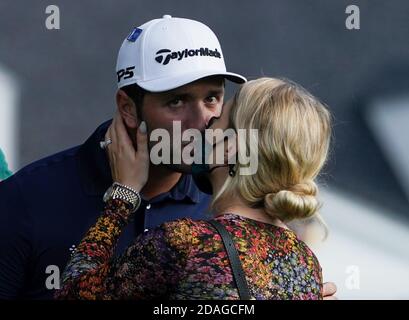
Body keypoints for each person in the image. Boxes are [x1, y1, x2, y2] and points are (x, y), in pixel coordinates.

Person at [0, 15, 336, 299]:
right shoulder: (25, 199)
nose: (202, 121)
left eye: (213, 98)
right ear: (128, 108)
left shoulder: (234, 204)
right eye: (177, 101)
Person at [56, 77, 332, 300]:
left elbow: (72, 294)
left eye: (217, 120)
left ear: (231, 148)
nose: (203, 124)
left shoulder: (185, 242)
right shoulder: (306, 264)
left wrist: (123, 195)